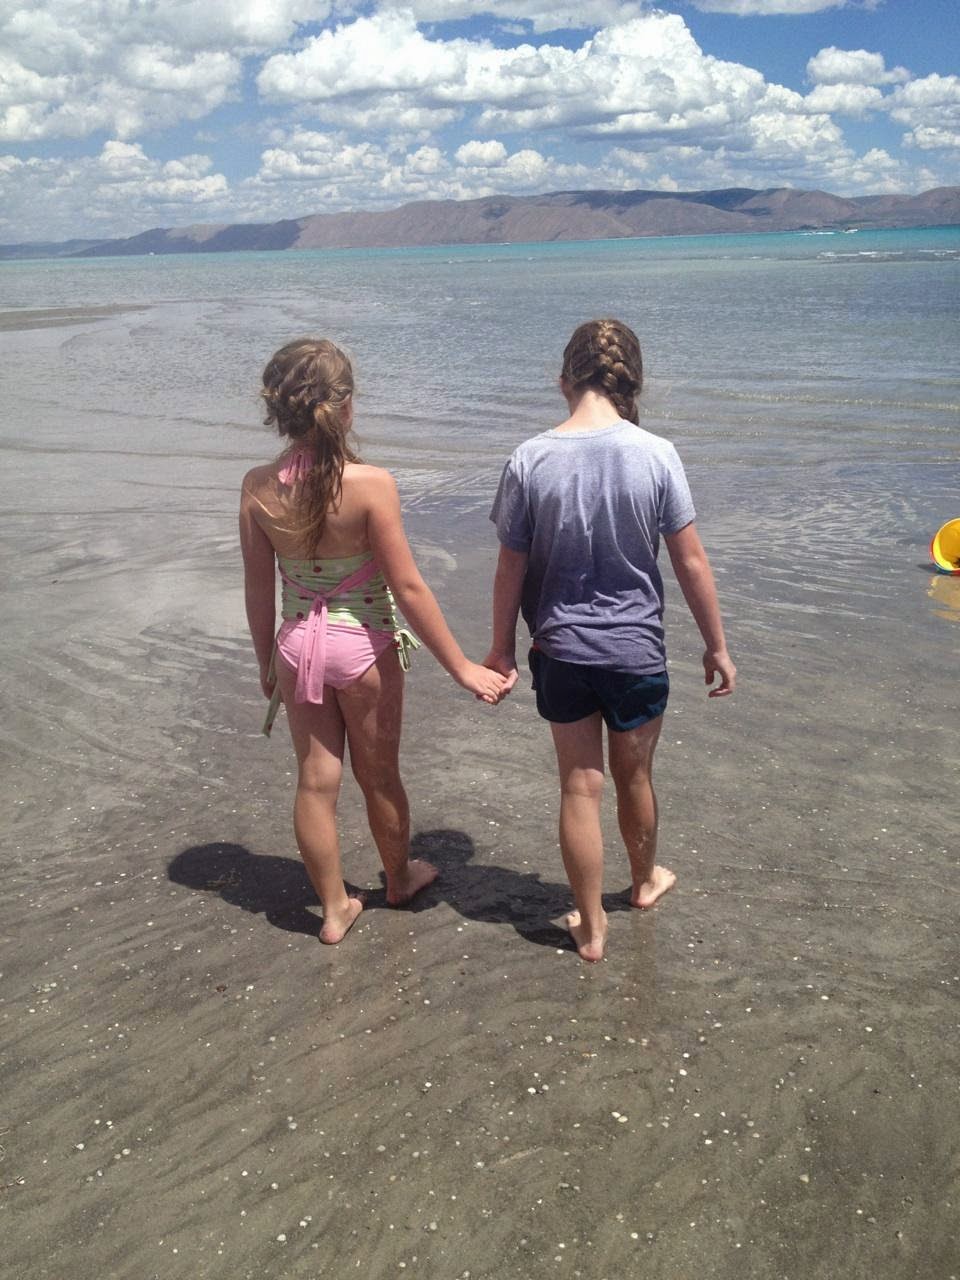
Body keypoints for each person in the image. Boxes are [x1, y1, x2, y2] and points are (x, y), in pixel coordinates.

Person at [240, 338, 507, 945]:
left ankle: (334, 908)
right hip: (361, 649)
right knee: (379, 775)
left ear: (278, 408)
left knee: (315, 780)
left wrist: (266, 662)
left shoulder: (257, 486)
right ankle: (399, 878)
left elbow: (258, 588)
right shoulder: (370, 484)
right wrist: (462, 666)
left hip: (296, 646)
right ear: (346, 407)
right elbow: (408, 587)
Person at [484, 319, 735, 962]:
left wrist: (502, 648)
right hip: (635, 652)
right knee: (635, 778)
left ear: (563, 380)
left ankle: (592, 928)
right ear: (631, 383)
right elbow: (691, 562)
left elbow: (510, 566)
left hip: (561, 650)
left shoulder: (530, 458)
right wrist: (716, 645)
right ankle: (644, 882)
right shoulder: (656, 453)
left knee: (579, 786)